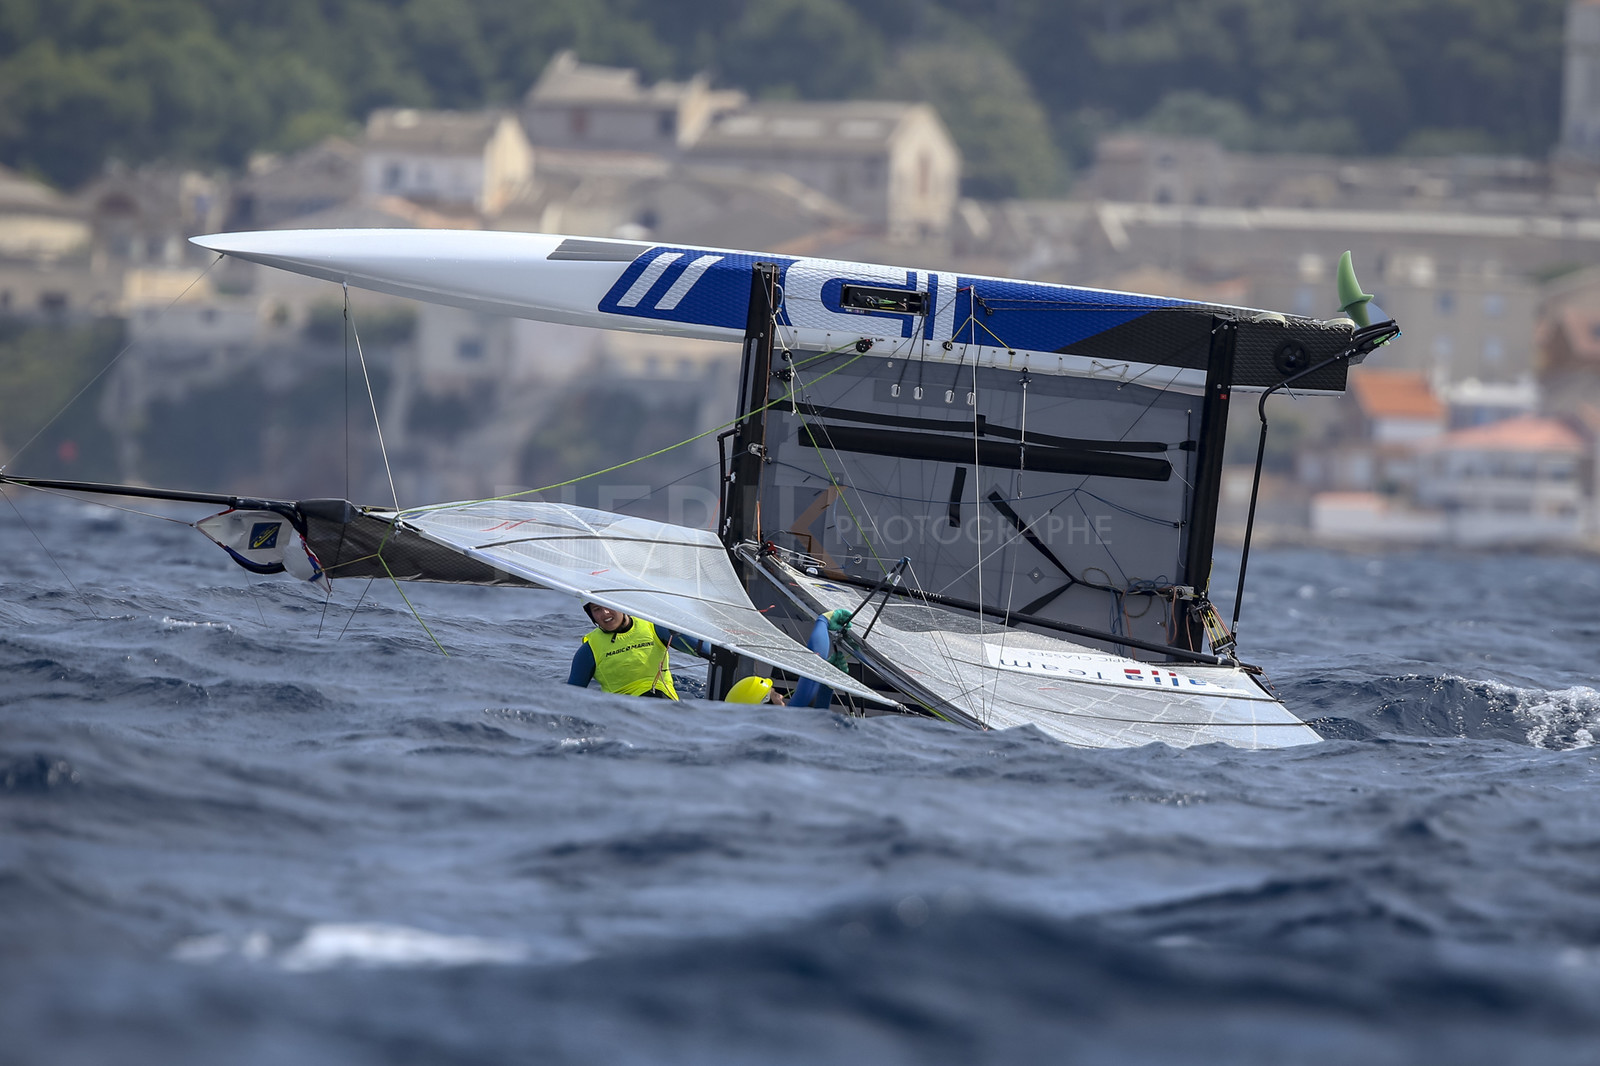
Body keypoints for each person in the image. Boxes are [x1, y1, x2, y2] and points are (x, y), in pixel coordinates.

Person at [567, 602, 714, 699]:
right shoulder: (588, 650)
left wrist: (680, 628)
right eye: (596, 609)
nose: (604, 613)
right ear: (591, 615)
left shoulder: (654, 627)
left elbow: (706, 651)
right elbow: (572, 697)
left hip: (663, 705)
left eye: (607, 605)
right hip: (623, 713)